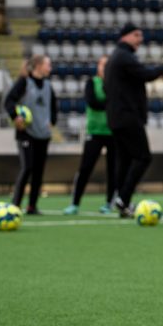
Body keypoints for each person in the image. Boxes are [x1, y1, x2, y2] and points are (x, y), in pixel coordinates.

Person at [105, 23, 163, 217]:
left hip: (117, 117)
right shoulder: (124, 57)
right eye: (137, 35)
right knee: (143, 157)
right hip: (127, 116)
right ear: (125, 36)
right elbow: (144, 75)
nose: (140, 39)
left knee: (124, 161)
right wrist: (161, 69)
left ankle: (122, 202)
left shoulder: (116, 56)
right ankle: (123, 197)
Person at [4, 54, 57, 215]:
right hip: (26, 134)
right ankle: (15, 205)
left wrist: (52, 121)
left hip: (43, 134)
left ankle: (32, 206)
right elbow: (9, 101)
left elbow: (54, 106)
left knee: (39, 172)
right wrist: (15, 116)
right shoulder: (24, 82)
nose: (50, 68)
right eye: (48, 64)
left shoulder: (48, 85)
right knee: (27, 167)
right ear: (39, 66)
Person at [64, 55, 116, 215]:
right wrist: (111, 104)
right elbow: (93, 102)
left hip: (113, 132)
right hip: (94, 132)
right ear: (98, 67)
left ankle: (109, 203)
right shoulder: (92, 83)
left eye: (107, 65)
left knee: (113, 170)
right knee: (85, 168)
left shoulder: (115, 84)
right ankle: (75, 203)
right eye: (102, 65)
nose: (104, 68)